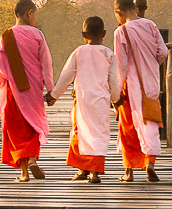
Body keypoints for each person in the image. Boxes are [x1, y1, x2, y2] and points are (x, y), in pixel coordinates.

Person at [0, 0, 54, 181]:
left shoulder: (6, 36)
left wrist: (4, 81)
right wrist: (50, 89)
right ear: (29, 13)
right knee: (33, 125)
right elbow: (46, 64)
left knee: (17, 128)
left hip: (13, 90)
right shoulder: (37, 35)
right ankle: (33, 158)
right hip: (33, 90)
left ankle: (24, 173)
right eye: (35, 15)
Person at [52, 14, 122, 183]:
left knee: (80, 132)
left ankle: (84, 169)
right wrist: (116, 99)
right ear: (104, 33)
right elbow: (114, 79)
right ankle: (92, 172)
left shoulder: (79, 51)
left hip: (82, 100)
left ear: (84, 35)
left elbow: (66, 76)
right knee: (98, 134)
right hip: (101, 101)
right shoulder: (108, 54)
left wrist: (53, 95)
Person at [112, 0, 168, 182]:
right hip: (151, 81)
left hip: (131, 84)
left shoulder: (121, 31)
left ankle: (129, 171)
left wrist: (117, 91)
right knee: (150, 120)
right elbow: (163, 52)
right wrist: (152, 65)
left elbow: (121, 64)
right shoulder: (150, 25)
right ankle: (150, 162)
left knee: (128, 126)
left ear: (118, 12)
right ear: (135, 9)